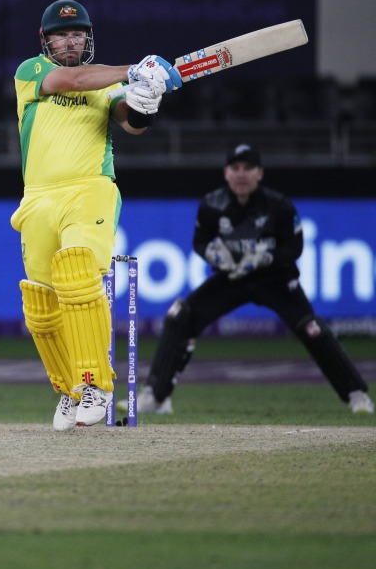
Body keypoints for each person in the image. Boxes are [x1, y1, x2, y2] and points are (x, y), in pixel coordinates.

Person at [10, 0, 181, 432]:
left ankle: (95, 385)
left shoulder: (107, 87)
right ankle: (68, 389)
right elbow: (72, 79)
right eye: (61, 35)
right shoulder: (32, 72)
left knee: (79, 271)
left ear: (87, 38)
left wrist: (147, 98)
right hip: (38, 198)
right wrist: (134, 70)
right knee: (41, 305)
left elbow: (133, 123)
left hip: (90, 191)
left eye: (77, 34)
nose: (69, 42)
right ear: (45, 42)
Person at [127, 144, 373, 415]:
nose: (241, 174)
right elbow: (200, 241)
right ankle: (157, 397)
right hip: (233, 278)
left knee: (312, 328)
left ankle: (356, 394)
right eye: (235, 168)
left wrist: (266, 257)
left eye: (248, 168)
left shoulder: (278, 205)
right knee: (179, 315)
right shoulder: (212, 205)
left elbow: (295, 247)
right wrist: (213, 254)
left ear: (260, 173)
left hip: (275, 280)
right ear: (226, 173)